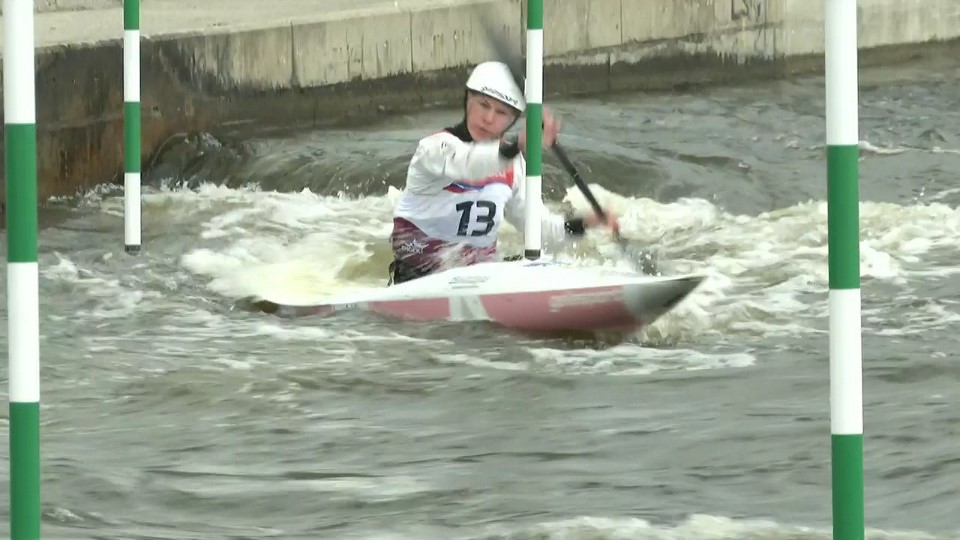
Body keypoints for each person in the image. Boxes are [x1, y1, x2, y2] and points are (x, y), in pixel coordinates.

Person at [387, 61, 620, 285]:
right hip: (418, 277)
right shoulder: (434, 148)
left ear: (512, 120)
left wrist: (588, 222)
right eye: (483, 105)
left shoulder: (514, 164)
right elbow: (470, 164)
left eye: (501, 112)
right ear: (467, 100)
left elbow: (540, 232)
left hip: (480, 276)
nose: (488, 119)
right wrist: (518, 145)